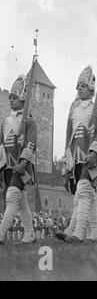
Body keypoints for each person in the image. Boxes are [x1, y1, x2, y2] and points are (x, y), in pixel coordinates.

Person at [56, 66, 97, 243]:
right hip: (75, 159)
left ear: (92, 89)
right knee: (85, 196)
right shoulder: (73, 112)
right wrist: (65, 168)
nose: (79, 88)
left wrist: (94, 152)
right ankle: (95, 232)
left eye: (83, 85)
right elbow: (68, 141)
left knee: (84, 190)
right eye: (78, 85)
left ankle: (76, 231)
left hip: (90, 157)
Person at [0, 75, 37, 244]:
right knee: (21, 202)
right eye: (10, 97)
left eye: (15, 97)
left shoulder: (28, 120)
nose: (11, 100)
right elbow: (1, 146)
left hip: (21, 165)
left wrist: (23, 163)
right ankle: (30, 235)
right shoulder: (5, 122)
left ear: (23, 98)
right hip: (7, 167)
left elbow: (31, 143)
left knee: (12, 197)